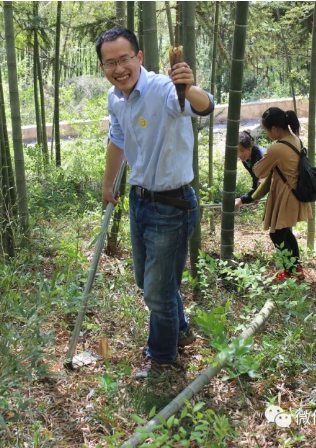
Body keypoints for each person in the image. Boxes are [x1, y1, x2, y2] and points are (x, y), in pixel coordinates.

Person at [96, 27, 214, 378]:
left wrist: (188, 86)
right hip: (140, 201)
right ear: (103, 66)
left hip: (172, 205)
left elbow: (204, 106)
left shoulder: (164, 89)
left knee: (157, 293)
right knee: (147, 282)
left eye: (125, 59)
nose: (119, 69)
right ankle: (181, 330)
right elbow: (118, 139)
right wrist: (108, 185)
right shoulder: (115, 98)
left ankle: (161, 357)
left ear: (139, 57)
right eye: (110, 63)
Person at [252, 107, 313, 282]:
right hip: (294, 192)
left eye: (266, 130)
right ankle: (296, 269)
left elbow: (258, 171)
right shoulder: (295, 139)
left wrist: (261, 156)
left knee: (277, 234)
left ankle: (290, 271)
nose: (266, 133)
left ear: (274, 129)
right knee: (285, 232)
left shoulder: (277, 148)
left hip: (286, 195)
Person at [234, 130, 267, 211]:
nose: (239, 154)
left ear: (251, 145)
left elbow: (263, 185)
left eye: (242, 150)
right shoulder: (246, 158)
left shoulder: (261, 158)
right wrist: (255, 196)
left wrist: (242, 200)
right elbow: (255, 180)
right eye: (236, 151)